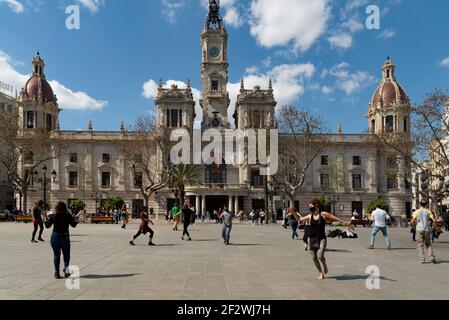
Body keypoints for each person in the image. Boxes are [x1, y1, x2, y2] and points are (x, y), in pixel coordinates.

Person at [297, 201, 350, 280]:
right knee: (314, 257)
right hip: (311, 238)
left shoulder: (323, 214)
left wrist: (345, 222)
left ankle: (324, 264)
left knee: (320, 256)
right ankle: (321, 273)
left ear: (316, 206)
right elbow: (300, 219)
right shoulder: (309, 216)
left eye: (311, 207)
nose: (310, 208)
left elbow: (334, 217)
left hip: (321, 237)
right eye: (309, 207)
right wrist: (294, 213)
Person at [45, 202, 80, 279]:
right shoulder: (68, 215)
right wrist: (76, 219)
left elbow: (47, 226)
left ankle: (57, 273)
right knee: (66, 254)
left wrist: (46, 218)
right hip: (65, 236)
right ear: (65, 208)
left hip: (55, 236)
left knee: (56, 254)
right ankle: (66, 270)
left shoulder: (53, 216)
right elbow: (73, 225)